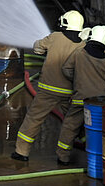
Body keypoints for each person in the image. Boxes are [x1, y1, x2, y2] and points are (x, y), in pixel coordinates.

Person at [11, 9, 86, 162]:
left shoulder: (54, 37)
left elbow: (37, 48)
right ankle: (69, 153)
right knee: (73, 122)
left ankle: (22, 152)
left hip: (47, 89)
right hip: (70, 92)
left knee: (34, 119)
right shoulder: (83, 44)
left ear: (64, 23)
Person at [56, 25, 105, 165]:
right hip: (103, 103)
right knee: (103, 130)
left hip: (81, 101)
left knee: (69, 127)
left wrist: (78, 77)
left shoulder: (78, 53)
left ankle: (63, 157)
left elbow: (66, 69)